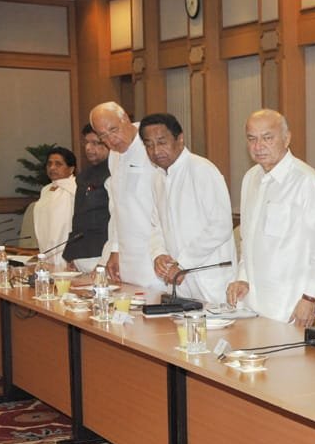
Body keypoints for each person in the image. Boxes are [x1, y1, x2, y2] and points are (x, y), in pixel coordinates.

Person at [226, 109, 315, 325]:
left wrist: (309, 297)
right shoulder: (250, 178)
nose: (258, 146)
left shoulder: (307, 181)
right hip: (252, 302)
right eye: (252, 139)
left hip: (289, 305)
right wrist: (242, 278)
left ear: (287, 138)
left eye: (267, 138)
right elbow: (248, 239)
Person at [142, 113, 236, 304]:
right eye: (149, 145)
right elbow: (156, 225)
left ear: (180, 139)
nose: (156, 150)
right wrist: (158, 253)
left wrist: (184, 262)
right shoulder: (157, 177)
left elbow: (221, 225)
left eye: (162, 142)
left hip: (209, 277)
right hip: (179, 279)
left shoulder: (202, 169)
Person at [90, 102, 161, 287]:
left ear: (126, 119)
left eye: (113, 130)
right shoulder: (114, 155)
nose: (111, 140)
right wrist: (114, 249)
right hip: (127, 251)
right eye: (103, 136)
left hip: (154, 250)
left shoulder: (152, 145)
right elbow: (116, 207)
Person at [63, 124, 110, 273]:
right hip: (81, 252)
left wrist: (108, 257)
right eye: (86, 142)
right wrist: (71, 252)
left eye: (95, 143)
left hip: (103, 253)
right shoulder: (83, 176)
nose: (88, 148)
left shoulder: (115, 173)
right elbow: (79, 216)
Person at [34, 146, 77, 268]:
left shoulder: (76, 188)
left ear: (71, 169)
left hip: (67, 250)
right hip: (46, 248)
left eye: (58, 164)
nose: (52, 168)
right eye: (49, 164)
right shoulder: (45, 190)